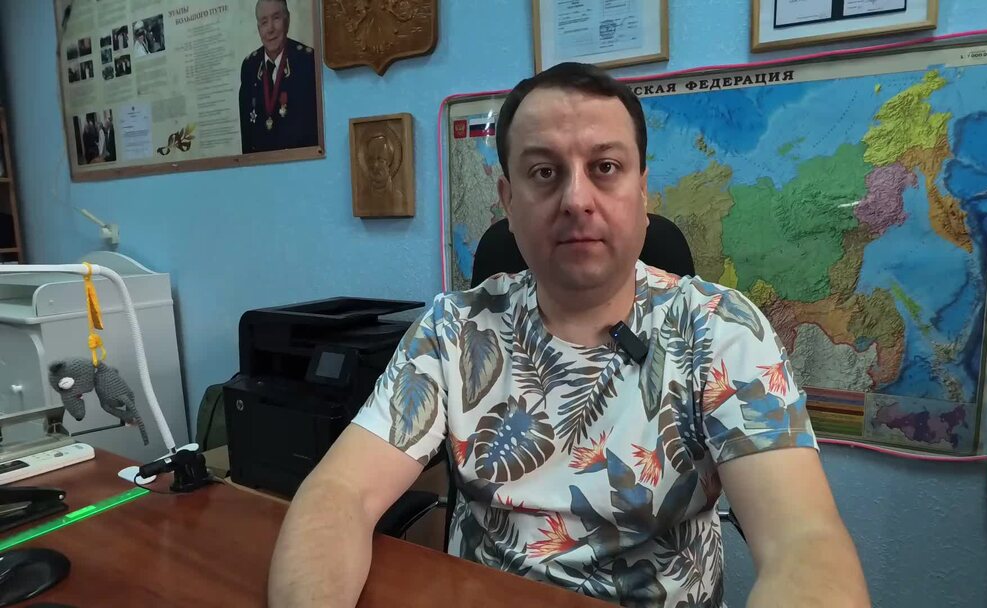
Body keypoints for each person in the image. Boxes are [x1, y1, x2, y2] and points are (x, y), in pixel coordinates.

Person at [268, 62, 870, 607]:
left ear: (643, 191)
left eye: (605, 168)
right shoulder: (454, 329)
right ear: (508, 200)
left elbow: (804, 542)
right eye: (544, 172)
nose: (576, 199)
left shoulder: (721, 330)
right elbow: (340, 493)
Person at [238, 0, 318, 154]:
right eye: (264, 22)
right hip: (262, 165)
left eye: (276, 18)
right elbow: (247, 136)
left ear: (287, 20)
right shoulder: (250, 67)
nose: (270, 29)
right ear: (258, 28)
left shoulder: (307, 61)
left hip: (300, 163)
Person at [358, 133, 405, 212]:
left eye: (381, 160)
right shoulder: (362, 197)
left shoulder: (397, 197)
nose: (375, 165)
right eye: (371, 160)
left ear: (389, 163)